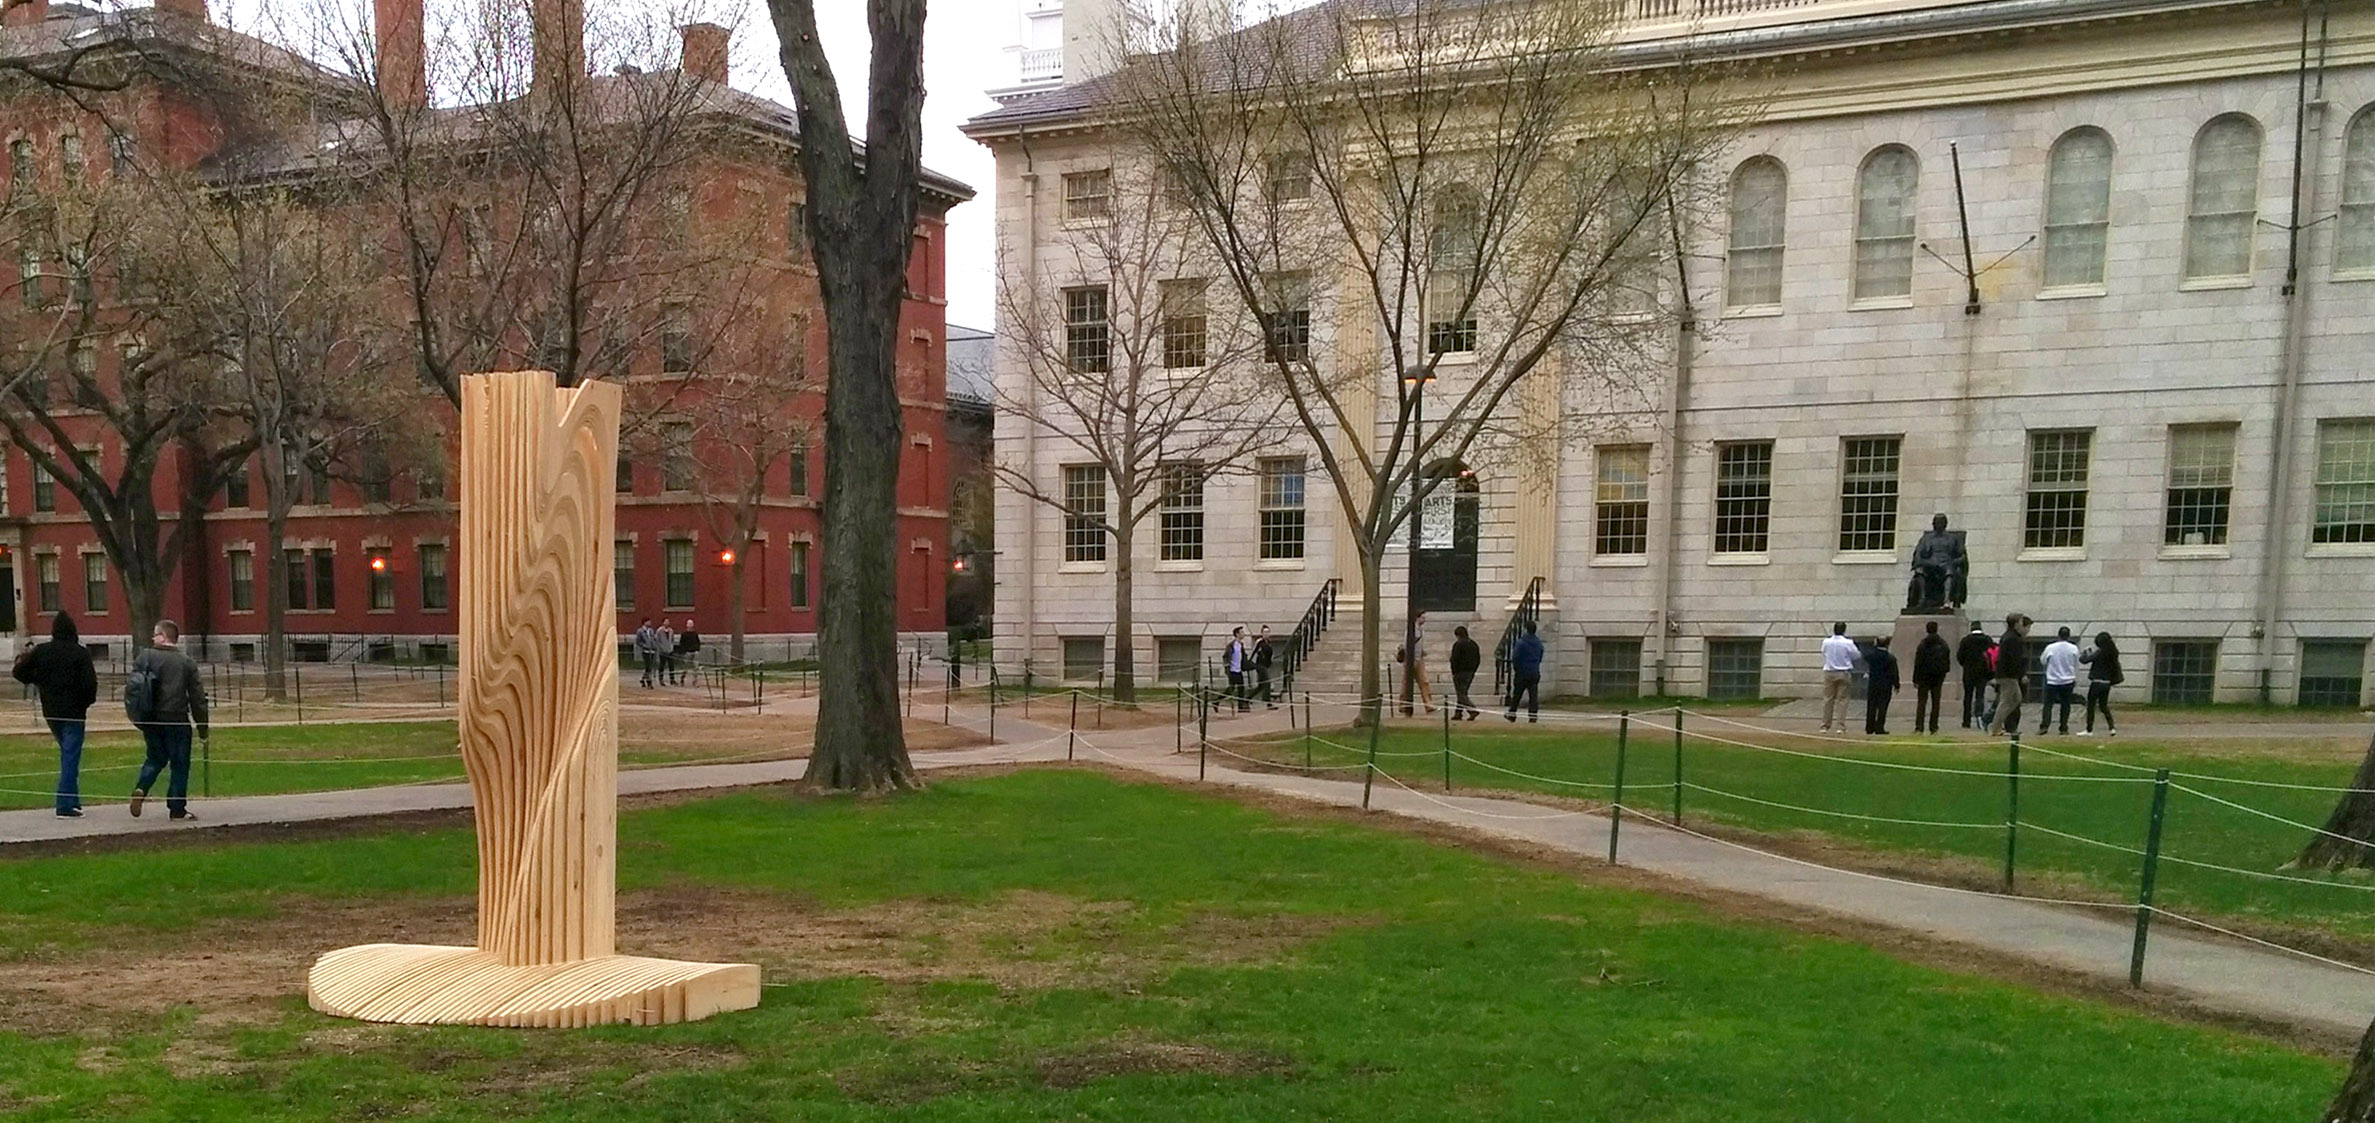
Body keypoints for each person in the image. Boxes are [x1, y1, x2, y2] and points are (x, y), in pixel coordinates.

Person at [13, 613, 97, 818]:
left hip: (51, 712)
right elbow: (90, 684)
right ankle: (65, 805)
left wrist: (38, 679)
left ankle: (73, 801)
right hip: (74, 713)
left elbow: (19, 672)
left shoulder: (42, 651)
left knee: (68, 755)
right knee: (70, 757)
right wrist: (84, 703)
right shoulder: (80, 653)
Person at [128, 619, 208, 821]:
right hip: (176, 718)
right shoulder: (186, 662)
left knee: (155, 758)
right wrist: (202, 727)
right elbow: (197, 698)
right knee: (180, 764)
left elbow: (134, 688)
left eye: (155, 634)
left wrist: (137, 716)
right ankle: (177, 808)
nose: (152, 638)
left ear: (164, 637)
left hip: (151, 718)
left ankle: (141, 787)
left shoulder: (145, 657)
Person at [1988, 614, 2031, 737]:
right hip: (2008, 675)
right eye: (2021, 622)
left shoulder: (2010, 637)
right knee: (2006, 701)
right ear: (2016, 624)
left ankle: (1997, 724)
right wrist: (2020, 674)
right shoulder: (2012, 639)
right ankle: (1995, 726)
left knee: (2015, 699)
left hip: (2008, 674)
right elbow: (2013, 659)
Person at [2037, 626, 2081, 736]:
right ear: (2068, 636)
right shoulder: (2074, 648)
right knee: (2065, 705)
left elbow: (2043, 660)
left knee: (2048, 704)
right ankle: (2063, 727)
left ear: (2058, 635)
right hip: (2068, 680)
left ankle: (2044, 726)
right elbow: (2076, 664)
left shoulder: (2050, 647)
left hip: (2052, 680)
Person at [1911, 621, 1952, 735]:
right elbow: (1947, 662)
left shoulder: (1923, 644)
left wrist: (1915, 678)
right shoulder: (1943, 644)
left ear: (1927, 629)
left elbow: (1918, 663)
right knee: (1935, 703)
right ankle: (1934, 727)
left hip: (1924, 677)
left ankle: (1919, 727)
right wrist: (1943, 674)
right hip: (1937, 677)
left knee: (1922, 702)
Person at [2081, 632, 2124, 737]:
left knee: (2091, 706)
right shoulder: (2113, 653)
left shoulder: (2100, 652)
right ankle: (2111, 727)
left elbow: (2085, 660)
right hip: (2106, 683)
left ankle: (2089, 729)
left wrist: (2085, 653)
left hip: (2096, 682)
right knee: (2103, 706)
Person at [1819, 623, 1858, 733]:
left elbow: (1824, 653)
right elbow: (1856, 655)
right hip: (1843, 672)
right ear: (1844, 630)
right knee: (1842, 700)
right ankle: (1840, 726)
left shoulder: (1826, 642)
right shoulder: (1848, 642)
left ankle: (1825, 725)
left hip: (1829, 671)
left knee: (1828, 699)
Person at [1955, 621, 1994, 730]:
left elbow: (1960, 656)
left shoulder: (1965, 640)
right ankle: (1979, 718)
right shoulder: (1987, 640)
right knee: (1980, 696)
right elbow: (1992, 655)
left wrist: (1965, 664)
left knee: (1968, 696)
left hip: (1969, 672)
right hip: (1983, 672)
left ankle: (1966, 720)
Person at [1504, 620, 1544, 723]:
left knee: (1517, 694)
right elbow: (1540, 656)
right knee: (1533, 695)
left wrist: (1517, 668)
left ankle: (1512, 713)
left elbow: (1516, 657)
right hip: (1534, 671)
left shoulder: (1521, 642)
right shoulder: (1538, 643)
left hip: (1522, 671)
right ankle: (1533, 715)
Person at [1863, 636, 1900, 735]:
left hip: (1873, 683)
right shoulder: (1890, 658)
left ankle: (1869, 727)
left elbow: (1865, 656)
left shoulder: (1872, 656)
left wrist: (1874, 646)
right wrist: (1896, 684)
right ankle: (1879, 727)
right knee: (1882, 706)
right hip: (1885, 685)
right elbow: (1894, 672)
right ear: (1887, 645)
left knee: (1871, 706)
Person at [1447, 625, 1482, 721]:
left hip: (1460, 672)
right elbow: (1478, 659)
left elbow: (1454, 659)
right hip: (1470, 672)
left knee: (1461, 694)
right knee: (1462, 692)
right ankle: (1458, 713)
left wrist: (1454, 671)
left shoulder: (1458, 645)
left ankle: (1472, 710)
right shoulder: (1473, 644)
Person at [1223, 627, 1249, 714]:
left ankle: (1241, 707)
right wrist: (1227, 666)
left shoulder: (1241, 645)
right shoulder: (1231, 645)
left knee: (1241, 688)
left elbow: (1243, 656)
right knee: (1231, 688)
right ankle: (1217, 700)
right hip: (1232, 670)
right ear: (1237, 634)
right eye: (1242, 632)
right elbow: (1225, 656)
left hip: (1239, 670)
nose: (1243, 634)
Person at [1251, 625, 1276, 709]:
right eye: (1265, 632)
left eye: (1268, 632)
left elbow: (1271, 654)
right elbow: (1253, 652)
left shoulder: (1269, 642)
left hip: (1266, 665)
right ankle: (1268, 703)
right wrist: (1251, 662)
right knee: (1267, 683)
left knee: (1261, 686)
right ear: (1261, 633)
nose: (1266, 634)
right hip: (1260, 665)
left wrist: (1271, 661)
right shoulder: (1259, 642)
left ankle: (1247, 698)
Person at [633, 619, 660, 688]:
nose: (650, 623)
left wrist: (654, 646)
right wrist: (644, 645)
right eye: (648, 621)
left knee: (650, 666)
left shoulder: (651, 631)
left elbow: (653, 639)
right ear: (644, 622)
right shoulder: (640, 631)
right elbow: (638, 641)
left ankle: (643, 679)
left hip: (652, 650)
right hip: (645, 651)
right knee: (648, 666)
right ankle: (649, 681)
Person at [674, 619, 702, 685]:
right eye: (689, 624)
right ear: (687, 625)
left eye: (691, 624)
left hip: (695, 652)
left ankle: (695, 681)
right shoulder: (684, 634)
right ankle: (682, 678)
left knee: (696, 667)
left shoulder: (695, 634)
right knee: (686, 667)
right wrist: (684, 651)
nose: (690, 625)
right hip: (687, 652)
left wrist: (697, 650)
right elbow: (681, 644)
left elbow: (698, 642)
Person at [655, 620, 677, 686]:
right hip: (662, 651)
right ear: (663, 622)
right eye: (666, 621)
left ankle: (672, 679)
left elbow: (672, 640)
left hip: (670, 651)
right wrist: (661, 648)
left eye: (668, 621)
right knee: (662, 665)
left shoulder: (671, 631)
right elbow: (657, 641)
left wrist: (671, 647)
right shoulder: (659, 631)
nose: (667, 623)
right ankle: (661, 679)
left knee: (671, 665)